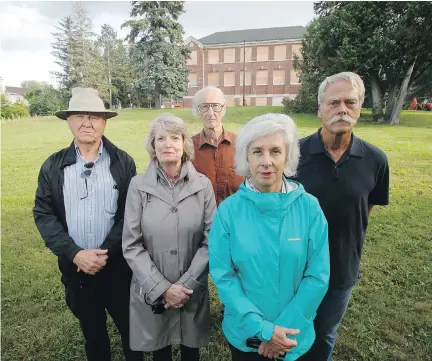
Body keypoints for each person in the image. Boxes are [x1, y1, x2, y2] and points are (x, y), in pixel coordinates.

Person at [209, 113, 330, 361]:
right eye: (257, 152)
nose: (266, 161)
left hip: (293, 337)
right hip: (247, 336)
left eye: (275, 151)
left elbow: (317, 276)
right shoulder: (228, 212)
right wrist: (264, 331)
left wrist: (279, 335)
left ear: (287, 157)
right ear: (246, 157)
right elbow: (224, 276)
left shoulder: (310, 208)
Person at [33, 88, 141, 361]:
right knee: (93, 335)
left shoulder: (123, 161)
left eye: (94, 116)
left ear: (104, 122)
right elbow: (44, 213)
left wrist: (105, 252)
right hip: (76, 270)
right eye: (79, 116)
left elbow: (131, 213)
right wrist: (75, 254)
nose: (87, 123)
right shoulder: (53, 166)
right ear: (69, 121)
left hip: (117, 267)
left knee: (132, 333)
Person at [296, 72, 390, 361]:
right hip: (294, 269)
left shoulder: (376, 160)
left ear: (360, 107)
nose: (342, 109)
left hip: (342, 267)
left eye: (350, 102)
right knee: (292, 332)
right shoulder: (293, 155)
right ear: (320, 109)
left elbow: (365, 210)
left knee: (324, 334)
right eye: (334, 102)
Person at [122, 113, 217, 361]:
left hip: (191, 289)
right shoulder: (138, 185)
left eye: (175, 137)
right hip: (152, 289)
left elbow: (211, 239)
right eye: (160, 138)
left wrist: (185, 286)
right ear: (152, 145)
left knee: (190, 350)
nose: (167, 144)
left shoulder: (203, 186)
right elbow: (131, 244)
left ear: (184, 144)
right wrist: (162, 289)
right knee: (159, 349)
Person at [191, 86, 244, 206]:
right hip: (202, 220)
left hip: (236, 217)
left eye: (215, 106)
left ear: (224, 109)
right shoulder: (188, 147)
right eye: (204, 106)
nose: (210, 113)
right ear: (198, 111)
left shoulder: (241, 144)